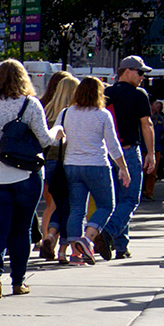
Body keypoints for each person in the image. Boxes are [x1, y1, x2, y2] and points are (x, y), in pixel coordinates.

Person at [0, 60, 54, 299]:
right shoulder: (31, 104)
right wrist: (58, 132)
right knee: (21, 230)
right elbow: (46, 140)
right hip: (25, 176)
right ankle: (18, 281)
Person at [57, 76, 129, 264]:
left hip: (72, 164)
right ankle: (88, 238)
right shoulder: (102, 115)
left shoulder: (66, 113)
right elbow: (113, 145)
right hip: (97, 165)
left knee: (76, 209)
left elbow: (58, 137)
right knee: (106, 205)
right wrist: (123, 168)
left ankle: (75, 254)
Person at [101, 56, 156, 259]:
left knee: (117, 200)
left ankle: (121, 246)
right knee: (131, 198)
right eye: (140, 72)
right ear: (127, 71)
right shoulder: (139, 94)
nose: (143, 77)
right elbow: (146, 124)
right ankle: (107, 232)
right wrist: (151, 153)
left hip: (107, 153)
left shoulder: (106, 93)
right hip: (129, 150)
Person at [37, 70, 78, 258]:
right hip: (68, 161)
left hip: (48, 163)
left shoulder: (46, 109)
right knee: (68, 206)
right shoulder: (73, 113)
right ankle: (60, 245)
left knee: (51, 204)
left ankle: (46, 238)